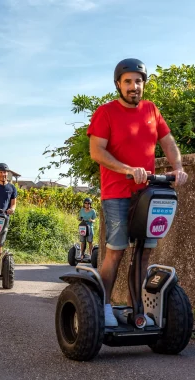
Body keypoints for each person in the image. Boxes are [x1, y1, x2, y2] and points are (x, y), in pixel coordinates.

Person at [87, 58, 188, 327]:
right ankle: (104, 306)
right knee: (116, 251)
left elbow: (168, 142)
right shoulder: (105, 113)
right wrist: (128, 169)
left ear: (144, 84)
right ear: (118, 85)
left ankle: (137, 308)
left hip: (148, 193)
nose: (134, 86)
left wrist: (178, 168)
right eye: (128, 81)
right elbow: (97, 151)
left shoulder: (152, 111)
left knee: (144, 253)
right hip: (117, 192)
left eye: (139, 81)